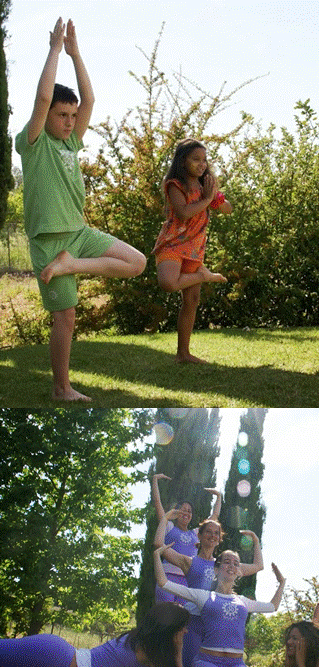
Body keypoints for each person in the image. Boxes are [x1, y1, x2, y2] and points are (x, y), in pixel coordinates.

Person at [15, 18, 147, 402]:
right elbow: (42, 100)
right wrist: (55, 50)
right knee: (66, 318)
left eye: (72, 116)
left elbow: (90, 101)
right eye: (62, 115)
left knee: (136, 262)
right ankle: (61, 388)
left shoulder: (72, 143)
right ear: (48, 115)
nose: (70, 121)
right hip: (49, 240)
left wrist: (77, 53)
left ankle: (72, 264)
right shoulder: (34, 142)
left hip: (79, 234)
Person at [153, 543, 285, 667]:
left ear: (239, 573)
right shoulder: (203, 596)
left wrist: (281, 583)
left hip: (235, 664)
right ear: (216, 569)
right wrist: (157, 556)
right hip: (206, 661)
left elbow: (272, 607)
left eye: (236, 563)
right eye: (227, 562)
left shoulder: (243, 601)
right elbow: (164, 583)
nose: (232, 565)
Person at [153, 139, 232, 363]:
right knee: (168, 283)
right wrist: (208, 199)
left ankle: (183, 354)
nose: (201, 164)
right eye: (195, 159)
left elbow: (227, 208)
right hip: (173, 243)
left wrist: (217, 199)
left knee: (192, 299)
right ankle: (203, 275)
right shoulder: (174, 184)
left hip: (195, 247)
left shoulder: (205, 185)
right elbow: (184, 212)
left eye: (204, 160)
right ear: (182, 161)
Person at [155, 514, 262, 667]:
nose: (213, 535)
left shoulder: (225, 566)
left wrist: (255, 541)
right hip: (193, 621)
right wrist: (165, 518)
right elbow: (158, 544)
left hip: (214, 625)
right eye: (208, 532)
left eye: (216, 533)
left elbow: (258, 566)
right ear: (199, 535)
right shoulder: (188, 562)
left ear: (219, 539)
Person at [0, 602, 188, 667]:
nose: (185, 632)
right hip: (57, 659)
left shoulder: (143, 644)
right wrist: (178, 652)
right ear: (169, 630)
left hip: (58, 656)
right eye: (182, 627)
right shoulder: (149, 651)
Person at [151, 473, 222, 604]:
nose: (186, 513)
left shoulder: (196, 533)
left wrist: (219, 496)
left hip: (188, 580)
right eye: (183, 510)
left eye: (189, 511)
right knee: (165, 614)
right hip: (168, 577)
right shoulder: (169, 526)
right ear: (176, 512)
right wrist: (154, 480)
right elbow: (157, 502)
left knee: (183, 618)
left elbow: (215, 516)